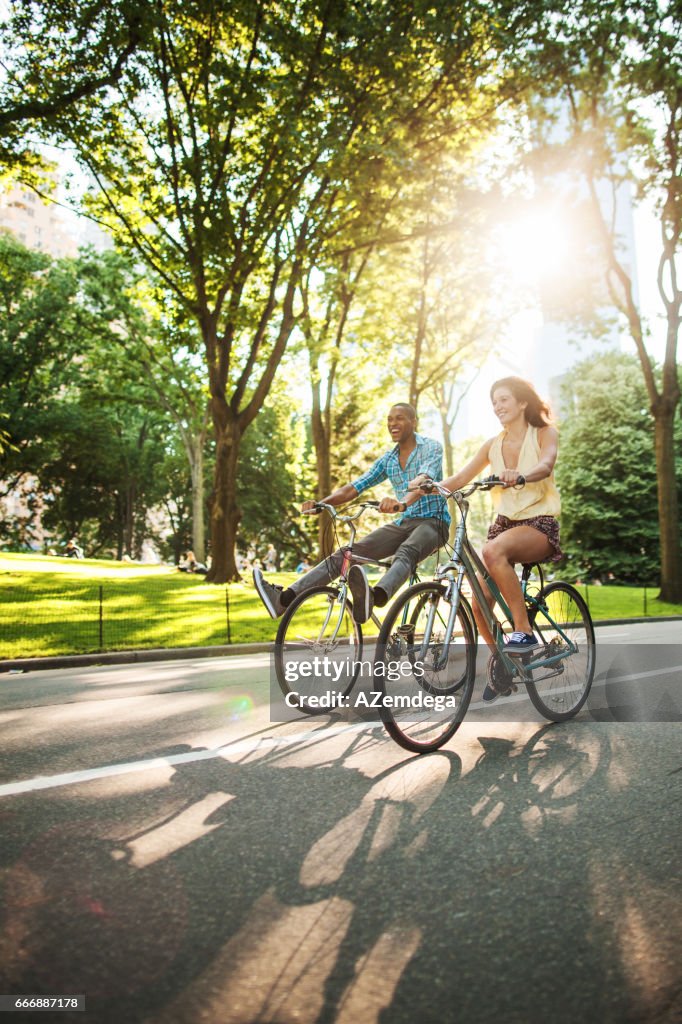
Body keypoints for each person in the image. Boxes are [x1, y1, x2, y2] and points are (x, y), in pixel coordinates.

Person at [410, 376, 562, 701]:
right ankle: (504, 665)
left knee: (492, 550)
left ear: (522, 402)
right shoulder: (493, 444)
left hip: (539, 525)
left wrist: (521, 475)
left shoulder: (544, 433)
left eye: (504, 399)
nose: (498, 406)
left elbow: (546, 464)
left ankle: (523, 632)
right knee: (478, 603)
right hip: (505, 526)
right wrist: (421, 489)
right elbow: (461, 478)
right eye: (494, 402)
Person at [253, 403, 450, 624]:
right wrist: (321, 504)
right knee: (346, 554)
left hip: (434, 522)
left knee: (406, 551)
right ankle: (283, 599)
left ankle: (376, 596)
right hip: (404, 522)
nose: (393, 423)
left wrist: (400, 503)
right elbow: (354, 487)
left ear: (414, 422)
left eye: (400, 418)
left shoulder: (431, 447)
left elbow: (423, 479)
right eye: (389, 419)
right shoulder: (389, 459)